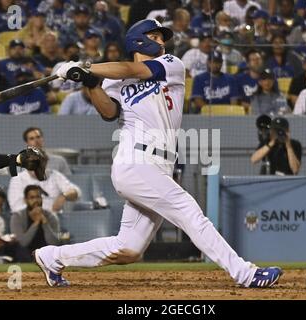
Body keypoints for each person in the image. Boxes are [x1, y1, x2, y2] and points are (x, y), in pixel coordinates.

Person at [34, 19, 282, 288]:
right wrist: (90, 82)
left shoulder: (171, 64)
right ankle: (245, 273)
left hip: (159, 164)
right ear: (139, 40)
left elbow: (132, 69)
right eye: (155, 35)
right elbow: (108, 113)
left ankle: (52, 256)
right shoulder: (112, 83)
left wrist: (85, 67)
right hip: (134, 161)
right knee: (188, 210)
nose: (162, 41)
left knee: (128, 248)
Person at [10, 185, 60, 255]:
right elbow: (22, 243)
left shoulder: (51, 216)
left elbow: (54, 243)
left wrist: (45, 222)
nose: (36, 200)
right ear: (25, 200)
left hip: (46, 254)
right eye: (32, 198)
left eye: (38, 197)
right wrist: (36, 223)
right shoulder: (17, 217)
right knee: (19, 249)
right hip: (25, 254)